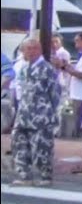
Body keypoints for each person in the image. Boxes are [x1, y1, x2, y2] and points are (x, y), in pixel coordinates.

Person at [10, 38, 61, 186]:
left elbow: (55, 93)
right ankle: (24, 175)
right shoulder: (24, 68)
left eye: (34, 48)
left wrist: (50, 113)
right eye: (28, 49)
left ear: (40, 50)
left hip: (41, 115)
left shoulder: (47, 68)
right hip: (23, 114)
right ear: (24, 51)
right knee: (20, 144)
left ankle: (45, 176)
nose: (31, 52)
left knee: (41, 146)